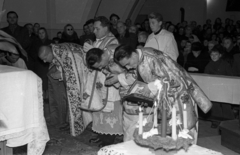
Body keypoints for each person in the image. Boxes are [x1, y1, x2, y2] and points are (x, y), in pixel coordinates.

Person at [114, 44, 212, 144]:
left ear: (133, 53)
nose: (128, 67)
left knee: (184, 130)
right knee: (168, 133)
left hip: (178, 97)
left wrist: (150, 87)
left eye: (128, 63)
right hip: (163, 99)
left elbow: (174, 79)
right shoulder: (138, 60)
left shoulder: (153, 57)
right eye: (124, 66)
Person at [83, 16, 122, 147]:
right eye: (93, 28)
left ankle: (108, 140)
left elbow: (108, 58)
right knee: (99, 111)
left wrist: (91, 51)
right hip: (99, 84)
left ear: (106, 28)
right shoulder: (99, 40)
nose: (94, 31)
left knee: (108, 113)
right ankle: (101, 135)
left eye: (97, 28)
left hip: (109, 85)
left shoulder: (112, 41)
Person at [38, 43, 88, 137]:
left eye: (45, 58)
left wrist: (61, 75)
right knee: (68, 98)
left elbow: (75, 73)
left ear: (49, 54)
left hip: (87, 74)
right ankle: (70, 123)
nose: (44, 61)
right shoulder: (55, 51)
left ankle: (78, 125)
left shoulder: (64, 53)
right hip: (76, 75)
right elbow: (63, 66)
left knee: (75, 99)